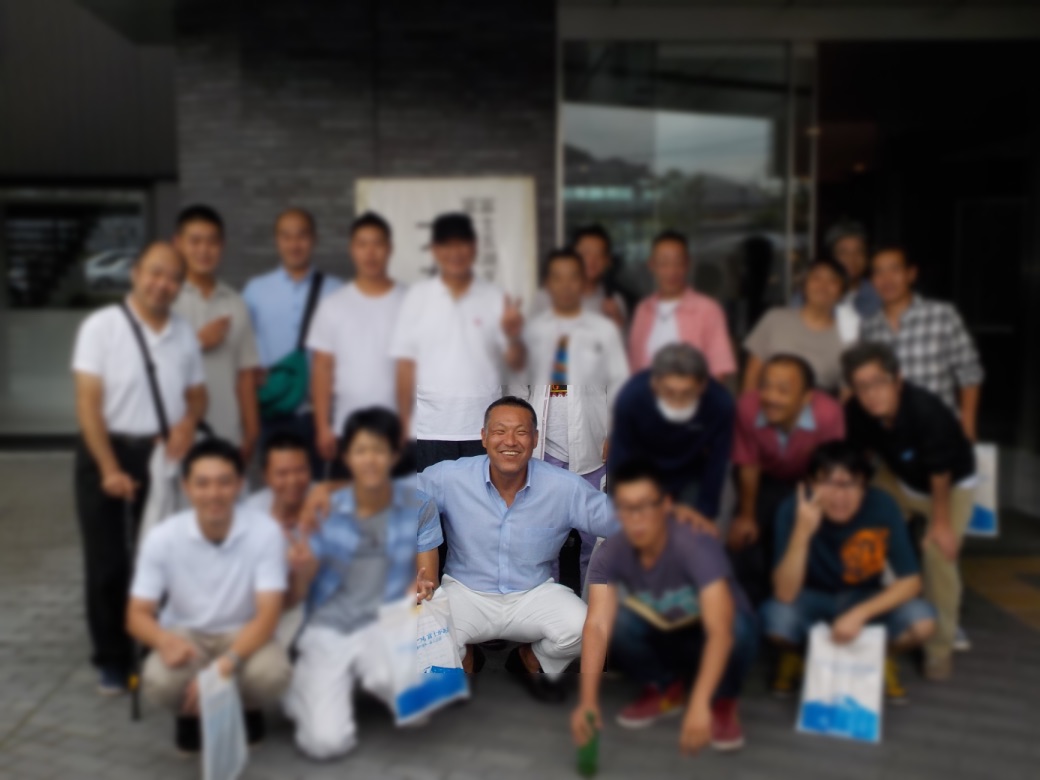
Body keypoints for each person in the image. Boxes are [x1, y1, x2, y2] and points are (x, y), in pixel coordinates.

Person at [71, 241, 207, 695]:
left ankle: (154, 649)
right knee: (109, 562)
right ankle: (112, 658)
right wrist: (109, 469)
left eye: (173, 278)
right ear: (135, 273)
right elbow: (87, 403)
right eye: (155, 272)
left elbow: (197, 395)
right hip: (105, 453)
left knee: (160, 558)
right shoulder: (101, 327)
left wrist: (188, 423)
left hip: (161, 457)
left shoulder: (183, 332)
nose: (162, 284)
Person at [282, 408, 440, 759]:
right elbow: (301, 587)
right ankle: (306, 690)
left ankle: (372, 679)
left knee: (417, 711)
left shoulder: (418, 505)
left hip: (390, 622)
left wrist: (420, 589)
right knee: (325, 744)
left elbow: (428, 579)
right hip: (332, 626)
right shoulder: (323, 507)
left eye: (379, 449)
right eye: (360, 450)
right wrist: (300, 566)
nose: (370, 459)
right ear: (347, 456)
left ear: (394, 455)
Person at [572, 460, 756, 755]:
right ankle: (664, 687)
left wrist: (700, 706)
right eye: (626, 507)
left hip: (709, 632)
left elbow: (720, 630)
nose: (637, 518)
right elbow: (597, 625)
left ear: (666, 504)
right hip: (662, 629)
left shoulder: (695, 544)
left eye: (646, 506)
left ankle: (723, 701)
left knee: (739, 627)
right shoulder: (610, 553)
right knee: (618, 622)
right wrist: (588, 703)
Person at [126, 439, 292, 754]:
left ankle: (247, 707)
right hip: (187, 633)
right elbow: (137, 614)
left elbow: (269, 613)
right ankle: (189, 713)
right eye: (202, 483)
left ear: (240, 484)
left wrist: (226, 664)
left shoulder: (265, 532)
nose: (214, 493)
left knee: (272, 674)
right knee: (159, 679)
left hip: (244, 631)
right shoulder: (162, 537)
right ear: (186, 487)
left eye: (224, 482)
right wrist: (163, 641)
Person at [762, 441, 937, 703]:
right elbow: (785, 594)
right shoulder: (793, 508)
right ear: (810, 484)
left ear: (865, 486)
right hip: (810, 596)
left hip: (864, 595)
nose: (840, 496)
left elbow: (911, 581)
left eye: (851, 484)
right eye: (828, 483)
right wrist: (802, 532)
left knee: (922, 621)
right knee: (776, 619)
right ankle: (800, 656)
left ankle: (876, 656)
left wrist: (859, 613)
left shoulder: (883, 504)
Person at [842, 342, 976, 680]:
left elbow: (940, 472)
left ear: (898, 380)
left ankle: (939, 649)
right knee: (861, 526)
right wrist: (852, 499)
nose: (871, 394)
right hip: (899, 477)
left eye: (878, 382)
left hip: (950, 484)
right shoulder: (856, 410)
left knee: (938, 553)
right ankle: (868, 618)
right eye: (861, 386)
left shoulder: (926, 410)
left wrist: (940, 524)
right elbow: (858, 457)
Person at [515, 248, 630, 587]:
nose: (565, 285)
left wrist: (615, 431)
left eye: (572, 277)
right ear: (548, 284)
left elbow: (620, 383)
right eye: (558, 278)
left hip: (592, 450)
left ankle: (593, 610)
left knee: (596, 540)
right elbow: (518, 385)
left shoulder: (603, 330)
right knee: (542, 539)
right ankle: (544, 611)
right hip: (544, 452)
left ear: (583, 282)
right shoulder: (533, 331)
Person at [390, 212, 524, 471]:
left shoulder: (495, 297)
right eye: (447, 245)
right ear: (434, 250)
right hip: (429, 427)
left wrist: (513, 335)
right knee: (428, 497)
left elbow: (516, 363)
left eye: (462, 244)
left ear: (474, 248)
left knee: (480, 496)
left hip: (484, 428)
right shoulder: (417, 298)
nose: (455, 252)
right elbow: (405, 364)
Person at [728, 355, 846, 605]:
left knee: (802, 532)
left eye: (783, 390)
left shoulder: (828, 414)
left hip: (811, 478)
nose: (771, 397)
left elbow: (829, 468)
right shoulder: (747, 408)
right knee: (746, 537)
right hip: (764, 477)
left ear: (806, 397)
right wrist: (746, 516)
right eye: (765, 386)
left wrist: (814, 509)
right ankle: (750, 608)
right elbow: (749, 464)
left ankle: (799, 601)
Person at [242, 208, 343, 475]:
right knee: (279, 488)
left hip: (320, 414)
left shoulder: (336, 290)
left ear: (314, 239)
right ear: (277, 240)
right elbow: (241, 346)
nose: (294, 244)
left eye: (301, 236)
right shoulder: (255, 291)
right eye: (286, 237)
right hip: (271, 411)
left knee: (318, 488)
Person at [308, 212, 407, 468]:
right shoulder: (333, 305)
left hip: (402, 431)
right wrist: (322, 426)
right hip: (347, 429)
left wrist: (410, 424)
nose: (370, 253)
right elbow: (322, 368)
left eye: (377, 244)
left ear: (390, 248)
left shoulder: (411, 301)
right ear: (352, 249)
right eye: (362, 244)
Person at [860, 247, 984, 442]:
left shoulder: (942, 315)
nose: (886, 279)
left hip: (940, 429)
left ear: (911, 274)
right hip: (890, 435)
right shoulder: (868, 327)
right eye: (878, 272)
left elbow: (970, 373)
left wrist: (968, 428)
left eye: (894, 269)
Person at [172, 204, 261, 464]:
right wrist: (197, 342)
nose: (203, 250)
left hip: (227, 434)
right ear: (178, 243)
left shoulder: (235, 302)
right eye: (195, 241)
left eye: (212, 242)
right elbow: (147, 362)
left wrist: (251, 431)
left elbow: (245, 374)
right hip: (178, 435)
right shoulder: (166, 299)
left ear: (222, 246)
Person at [608, 344, 733, 528]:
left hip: (691, 474)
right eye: (669, 392)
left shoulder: (720, 404)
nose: (678, 401)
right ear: (655, 384)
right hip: (642, 473)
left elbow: (717, 461)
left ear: (702, 387)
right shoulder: (631, 398)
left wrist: (705, 513)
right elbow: (620, 454)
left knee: (692, 533)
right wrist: (623, 503)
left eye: (687, 393)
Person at [627, 230, 736, 380]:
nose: (671, 271)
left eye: (678, 263)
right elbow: (634, 365)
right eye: (663, 263)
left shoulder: (708, 309)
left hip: (693, 394)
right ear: (651, 265)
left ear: (688, 264)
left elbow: (719, 367)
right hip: (646, 394)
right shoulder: (643, 309)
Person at [743, 258, 858, 396]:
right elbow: (752, 374)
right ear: (804, 286)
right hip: (769, 402)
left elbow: (846, 391)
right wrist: (748, 407)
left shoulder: (848, 338)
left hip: (817, 407)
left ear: (842, 292)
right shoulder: (775, 318)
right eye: (816, 278)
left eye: (833, 280)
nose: (823, 286)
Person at [245, 432, 314, 647]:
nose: (293, 481)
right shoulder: (249, 515)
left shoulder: (325, 502)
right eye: (282, 473)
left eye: (300, 470)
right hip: (269, 617)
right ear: (265, 476)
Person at [531, 225, 627, 330]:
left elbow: (622, 340)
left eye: (599, 254)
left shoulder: (614, 300)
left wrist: (616, 318)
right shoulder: (546, 297)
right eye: (585, 253)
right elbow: (530, 336)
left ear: (607, 261)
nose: (592, 260)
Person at [794, 221, 881, 319]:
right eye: (843, 252)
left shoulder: (877, 293)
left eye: (859, 251)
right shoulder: (810, 294)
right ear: (831, 257)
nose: (852, 258)